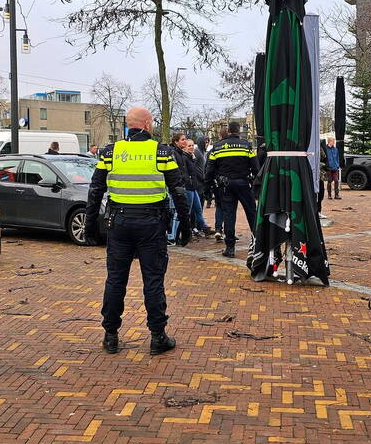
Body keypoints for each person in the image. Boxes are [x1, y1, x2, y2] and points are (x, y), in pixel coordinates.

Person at [84, 106, 191, 356]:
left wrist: (90, 226)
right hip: (151, 225)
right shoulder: (161, 151)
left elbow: (95, 189)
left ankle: (110, 336)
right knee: (153, 281)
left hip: (118, 224)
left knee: (115, 280)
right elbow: (179, 191)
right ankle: (157, 337)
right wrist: (185, 226)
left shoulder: (111, 151)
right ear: (147, 124)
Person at [205, 121, 258, 258]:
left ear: (228, 131)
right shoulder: (246, 145)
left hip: (226, 186)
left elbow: (209, 170)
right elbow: (256, 167)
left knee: (229, 215)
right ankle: (258, 244)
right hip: (244, 184)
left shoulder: (217, 147)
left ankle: (230, 248)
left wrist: (207, 189)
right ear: (238, 131)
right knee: (252, 213)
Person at [184, 140, 212, 236]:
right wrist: (192, 181)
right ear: (185, 147)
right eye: (189, 146)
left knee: (198, 208)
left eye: (192, 145)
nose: (191, 147)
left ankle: (203, 227)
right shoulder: (185, 157)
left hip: (194, 187)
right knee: (189, 210)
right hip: (189, 187)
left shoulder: (192, 157)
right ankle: (188, 230)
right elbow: (188, 173)